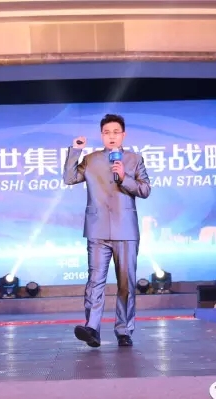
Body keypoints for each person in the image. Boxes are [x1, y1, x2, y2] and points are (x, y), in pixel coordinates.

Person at [62, 114, 152, 348]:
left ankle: (124, 330)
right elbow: (69, 178)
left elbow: (145, 190)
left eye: (115, 132)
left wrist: (124, 177)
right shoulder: (90, 159)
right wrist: (75, 150)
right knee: (95, 281)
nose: (111, 136)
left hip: (126, 229)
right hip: (97, 228)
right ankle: (92, 328)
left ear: (123, 135)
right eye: (106, 132)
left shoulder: (134, 159)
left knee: (126, 284)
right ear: (101, 135)